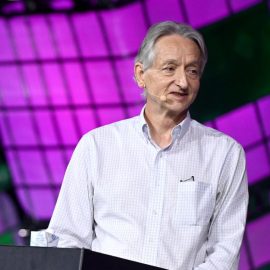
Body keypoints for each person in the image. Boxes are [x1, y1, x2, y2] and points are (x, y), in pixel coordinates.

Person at [45, 21, 249, 269]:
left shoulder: (225, 154)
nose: (183, 82)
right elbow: (66, 239)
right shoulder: (97, 146)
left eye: (192, 71)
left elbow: (225, 253)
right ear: (141, 74)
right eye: (169, 68)